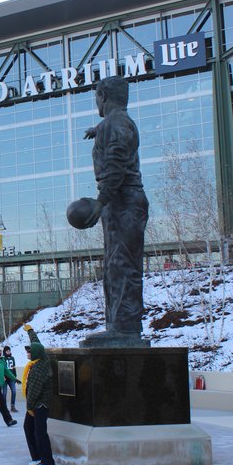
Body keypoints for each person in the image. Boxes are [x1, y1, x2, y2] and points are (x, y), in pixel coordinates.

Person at [76, 75, 149, 346]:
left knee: (123, 265)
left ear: (103, 96)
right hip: (122, 202)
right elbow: (118, 139)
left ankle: (125, 329)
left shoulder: (117, 124)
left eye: (96, 96)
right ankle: (116, 326)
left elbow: (117, 162)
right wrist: (99, 129)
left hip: (123, 200)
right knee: (114, 265)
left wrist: (101, 199)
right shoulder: (114, 124)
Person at [22, 324, 56, 465]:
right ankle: (37, 457)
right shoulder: (41, 358)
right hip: (35, 403)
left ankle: (48, 461)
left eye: (29, 352)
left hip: (39, 404)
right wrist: (30, 331)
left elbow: (34, 390)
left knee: (40, 431)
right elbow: (38, 344)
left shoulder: (38, 369)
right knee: (28, 427)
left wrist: (29, 407)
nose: (27, 354)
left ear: (35, 354)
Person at [2, 345, 19, 412]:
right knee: (4, 392)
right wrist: (2, 376)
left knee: (14, 391)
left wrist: (15, 377)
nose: (8, 352)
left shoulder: (12, 358)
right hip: (4, 379)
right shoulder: (2, 359)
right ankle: (4, 407)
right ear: (4, 352)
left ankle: (12, 406)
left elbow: (14, 368)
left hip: (11, 378)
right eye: (7, 351)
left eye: (9, 351)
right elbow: (1, 369)